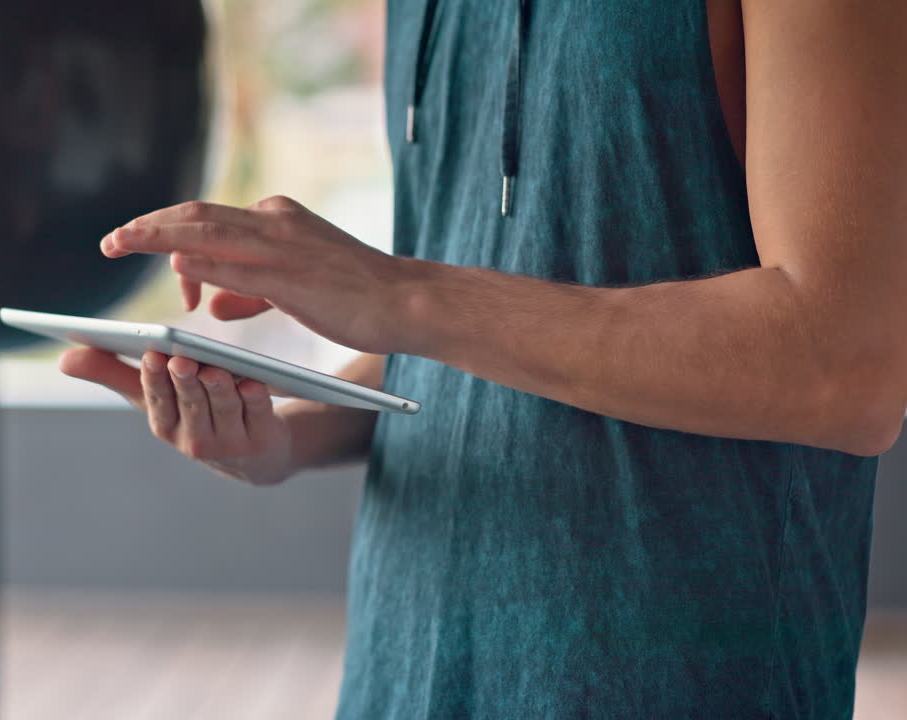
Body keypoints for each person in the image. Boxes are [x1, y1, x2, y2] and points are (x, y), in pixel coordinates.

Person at [61, 0, 907, 717]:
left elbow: (847, 363)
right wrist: (287, 432)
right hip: (400, 672)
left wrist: (397, 295)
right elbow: (472, 331)